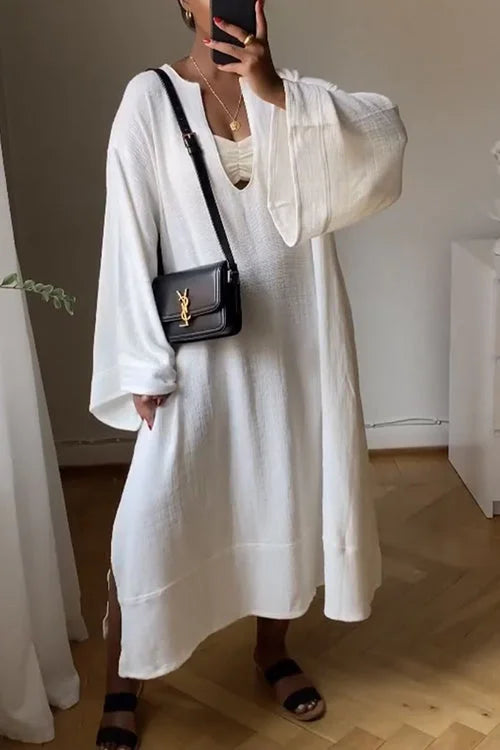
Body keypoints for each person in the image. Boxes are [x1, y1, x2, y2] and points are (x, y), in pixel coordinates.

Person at [90, 0, 407, 746]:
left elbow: (384, 141)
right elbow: (127, 229)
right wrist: (141, 359)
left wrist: (273, 93)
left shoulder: (293, 96)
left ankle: (272, 650)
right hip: (200, 346)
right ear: (183, 2)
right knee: (150, 518)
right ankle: (123, 680)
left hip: (298, 335)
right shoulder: (149, 99)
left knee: (285, 493)